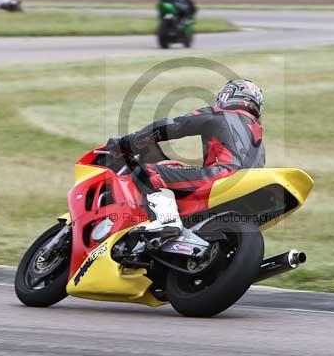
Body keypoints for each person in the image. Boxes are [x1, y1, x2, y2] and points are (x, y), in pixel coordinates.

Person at [107, 79, 264, 239]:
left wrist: (127, 143)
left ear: (227, 95)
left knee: (148, 172)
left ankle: (167, 220)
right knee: (175, 166)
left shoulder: (218, 114)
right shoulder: (257, 131)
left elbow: (172, 127)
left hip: (221, 177)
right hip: (247, 189)